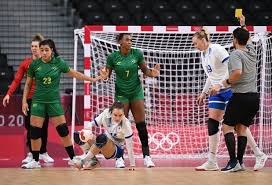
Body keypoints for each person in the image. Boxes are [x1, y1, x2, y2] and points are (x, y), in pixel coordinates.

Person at [21, 39, 106, 169]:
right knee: (35, 132)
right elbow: (27, 84)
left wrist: (92, 79)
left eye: (46, 50)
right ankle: (35, 160)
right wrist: (24, 101)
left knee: (63, 131)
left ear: (52, 50)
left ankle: (72, 158)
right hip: (38, 101)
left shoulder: (59, 63)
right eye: (41, 50)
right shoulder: (34, 65)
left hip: (54, 101)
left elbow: (75, 73)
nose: (43, 52)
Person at [192, 27, 267, 171]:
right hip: (216, 90)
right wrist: (203, 92)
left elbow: (231, 69)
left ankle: (258, 154)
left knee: (239, 126)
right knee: (212, 122)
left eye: (195, 43)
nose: (194, 46)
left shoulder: (217, 49)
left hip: (228, 89)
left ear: (203, 40)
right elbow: (211, 76)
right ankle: (212, 161)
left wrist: (222, 84)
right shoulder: (203, 54)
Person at [105, 33, 159, 168]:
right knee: (119, 126)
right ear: (120, 42)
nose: (130, 42)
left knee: (141, 125)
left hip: (136, 92)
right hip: (121, 94)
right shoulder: (112, 57)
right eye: (127, 40)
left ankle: (147, 156)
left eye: (131, 40)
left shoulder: (137, 54)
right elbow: (107, 76)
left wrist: (152, 73)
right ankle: (119, 158)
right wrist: (103, 75)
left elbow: (146, 70)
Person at [221, 15, 267, 172]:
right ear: (248, 40)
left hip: (240, 96)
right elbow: (246, 39)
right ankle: (239, 163)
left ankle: (233, 161)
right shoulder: (252, 51)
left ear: (234, 39)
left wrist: (224, 83)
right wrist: (243, 25)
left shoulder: (235, 54)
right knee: (241, 129)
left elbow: (237, 73)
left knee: (227, 127)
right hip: (254, 97)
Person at [2, 34, 54, 164]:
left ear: (41, 48)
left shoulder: (48, 63)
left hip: (44, 100)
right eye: (32, 46)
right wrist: (9, 93)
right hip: (30, 100)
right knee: (30, 128)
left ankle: (43, 152)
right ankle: (31, 153)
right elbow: (17, 80)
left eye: (36, 46)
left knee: (44, 126)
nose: (34, 49)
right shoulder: (26, 63)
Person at [73, 102, 135, 170]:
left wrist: (132, 165)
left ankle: (83, 161)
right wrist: (89, 127)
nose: (117, 118)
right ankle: (94, 162)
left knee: (102, 138)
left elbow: (130, 147)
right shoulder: (105, 114)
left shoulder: (126, 125)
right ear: (111, 112)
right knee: (79, 135)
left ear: (123, 114)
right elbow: (92, 123)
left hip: (115, 150)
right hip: (102, 143)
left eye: (120, 115)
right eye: (115, 115)